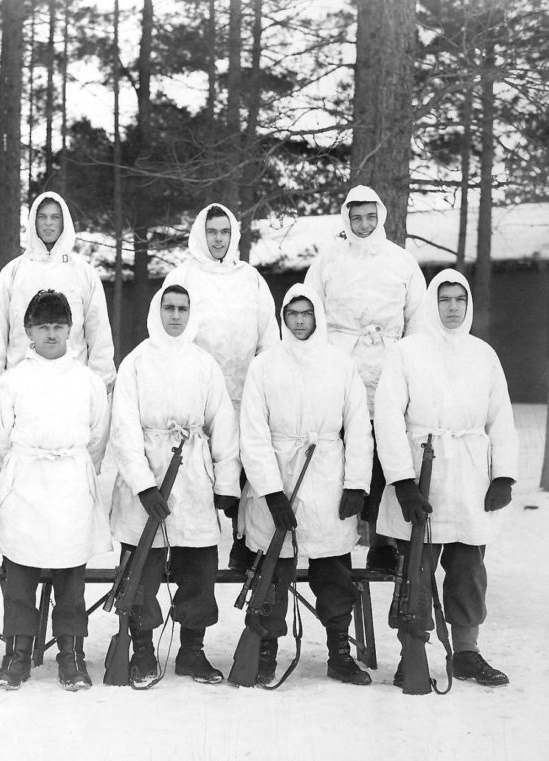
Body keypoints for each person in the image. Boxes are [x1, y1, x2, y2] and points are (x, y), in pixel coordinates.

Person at [374, 269, 518, 688]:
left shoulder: (483, 354)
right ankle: (411, 652)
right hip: (423, 474)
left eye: (459, 299)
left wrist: (503, 476)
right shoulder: (407, 352)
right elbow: (387, 418)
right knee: (415, 571)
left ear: (468, 303)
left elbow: (502, 418)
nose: (452, 307)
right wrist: (402, 481)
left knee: (469, 570)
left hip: (471, 475)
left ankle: (467, 653)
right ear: (432, 304)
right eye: (444, 299)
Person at [238, 284, 374, 686]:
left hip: (328, 478)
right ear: (283, 317)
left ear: (318, 317)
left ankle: (339, 651)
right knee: (272, 573)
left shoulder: (340, 363)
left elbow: (358, 427)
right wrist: (270, 490)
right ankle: (264, 651)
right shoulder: (264, 365)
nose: (299, 320)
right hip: (279, 476)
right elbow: (253, 431)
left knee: (333, 572)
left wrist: (356, 484)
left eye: (306, 313)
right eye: (292, 313)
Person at [109, 284, 241, 686]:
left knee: (199, 568)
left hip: (194, 475)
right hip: (148, 476)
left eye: (183, 308)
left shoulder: (205, 365)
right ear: (157, 310)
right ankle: (143, 652)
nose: (176, 316)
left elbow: (223, 425)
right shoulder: (135, 362)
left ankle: (192, 650)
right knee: (142, 571)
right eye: (169, 308)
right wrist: (144, 486)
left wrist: (227, 484)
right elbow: (124, 429)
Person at [0, 290, 110, 691]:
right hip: (27, 481)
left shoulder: (88, 381)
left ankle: (71, 655)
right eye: (43, 327)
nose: (51, 334)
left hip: (70, 480)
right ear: (28, 332)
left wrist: (70, 465)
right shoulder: (12, 380)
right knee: (19, 573)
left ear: (70, 330)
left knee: (71, 576)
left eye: (58, 326)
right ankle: (17, 654)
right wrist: (24, 469)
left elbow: (97, 438)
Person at [304, 185, 426, 572]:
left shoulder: (402, 262)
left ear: (381, 217)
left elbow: (418, 319)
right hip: (341, 363)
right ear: (346, 219)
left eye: (370, 217)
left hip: (389, 364)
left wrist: (408, 364)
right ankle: (333, 534)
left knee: (386, 453)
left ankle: (382, 539)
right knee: (342, 449)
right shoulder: (328, 262)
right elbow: (309, 310)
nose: (363, 224)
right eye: (356, 217)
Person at [162, 203, 278, 570]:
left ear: (234, 235)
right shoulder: (183, 276)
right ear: (200, 233)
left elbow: (267, 336)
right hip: (200, 393)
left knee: (249, 472)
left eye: (224, 232)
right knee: (199, 470)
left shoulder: (250, 278)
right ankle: (187, 550)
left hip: (245, 390)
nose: (218, 239)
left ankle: (246, 544)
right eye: (211, 231)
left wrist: (264, 381)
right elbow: (170, 329)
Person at [0, 191, 116, 391]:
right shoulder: (14, 272)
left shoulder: (83, 273)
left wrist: (102, 380)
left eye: (55, 217)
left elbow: (98, 330)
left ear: (65, 222)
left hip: (72, 383)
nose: (48, 223)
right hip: (21, 384)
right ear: (33, 222)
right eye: (42, 217)